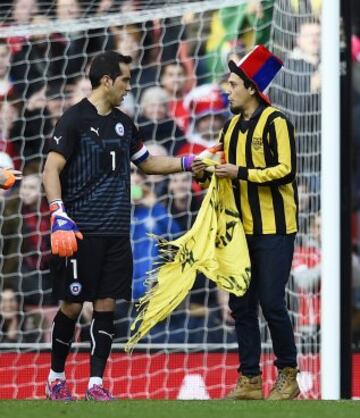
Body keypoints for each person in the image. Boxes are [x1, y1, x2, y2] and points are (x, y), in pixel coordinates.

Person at [42, 50, 195, 401]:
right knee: (71, 305)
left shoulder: (125, 123)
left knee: (107, 304)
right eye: (125, 79)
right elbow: (51, 169)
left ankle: (96, 383)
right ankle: (55, 378)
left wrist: (188, 162)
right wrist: (58, 213)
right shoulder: (74, 119)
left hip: (116, 232)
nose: (129, 86)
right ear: (107, 80)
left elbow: (149, 163)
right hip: (80, 231)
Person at [192, 44, 300, 400]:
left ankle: (288, 373)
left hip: (275, 228)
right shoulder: (231, 126)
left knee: (271, 302)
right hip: (240, 230)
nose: (227, 89)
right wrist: (203, 172)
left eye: (233, 84)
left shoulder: (277, 121)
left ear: (252, 88)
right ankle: (250, 379)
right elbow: (218, 165)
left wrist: (240, 172)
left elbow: (285, 172)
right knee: (240, 304)